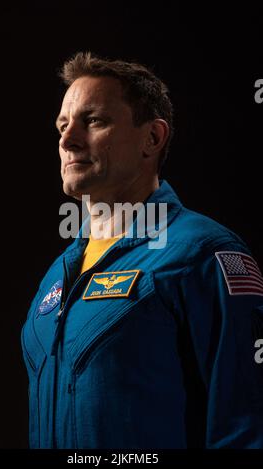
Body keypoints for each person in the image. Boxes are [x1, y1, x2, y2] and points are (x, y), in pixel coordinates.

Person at [21, 52, 263, 449]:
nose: (67, 139)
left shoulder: (203, 255)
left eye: (93, 121)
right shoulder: (57, 276)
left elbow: (245, 426)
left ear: (152, 137)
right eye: (62, 126)